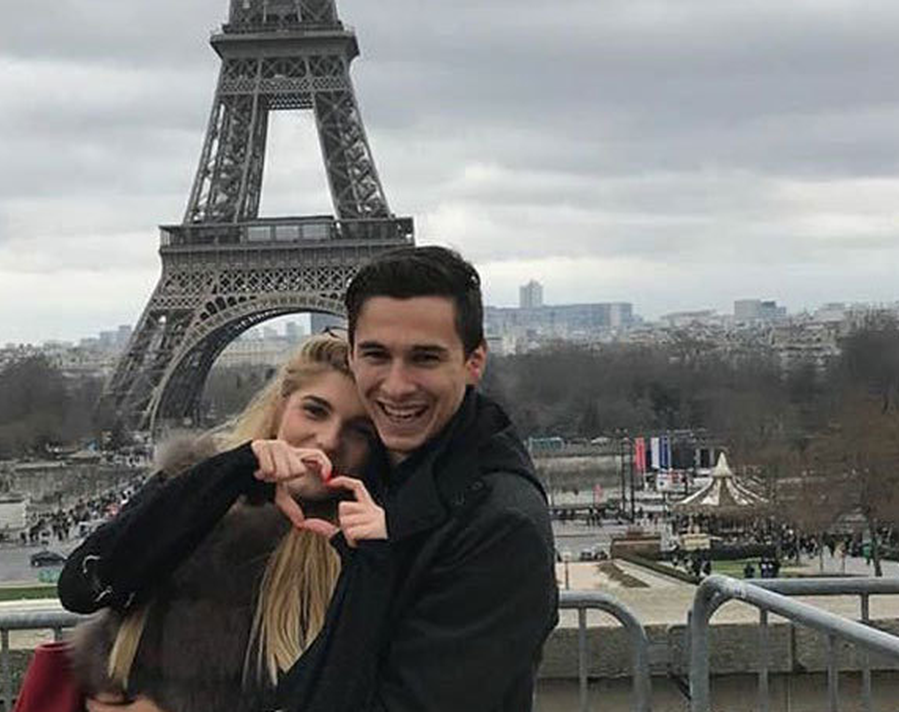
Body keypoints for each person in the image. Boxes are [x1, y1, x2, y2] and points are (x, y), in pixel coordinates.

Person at [272, 246, 559, 712]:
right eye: (376, 355)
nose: (397, 385)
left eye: (424, 358)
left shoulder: (503, 526)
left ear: (474, 362)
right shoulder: (370, 475)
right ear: (352, 355)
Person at [57, 335, 378, 712]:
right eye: (314, 411)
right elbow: (82, 588)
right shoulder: (193, 484)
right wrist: (235, 470)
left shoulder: (365, 541)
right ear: (280, 406)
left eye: (360, 430)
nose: (328, 440)